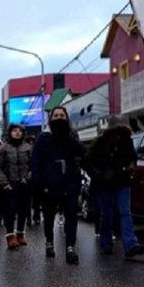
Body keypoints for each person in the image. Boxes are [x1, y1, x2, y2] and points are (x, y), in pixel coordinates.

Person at [84, 114, 144, 258]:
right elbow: (87, 161)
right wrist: (102, 173)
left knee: (125, 212)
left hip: (122, 181)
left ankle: (130, 244)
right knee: (107, 214)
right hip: (103, 184)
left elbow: (132, 158)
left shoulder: (126, 142)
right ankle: (106, 243)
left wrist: (130, 167)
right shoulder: (99, 142)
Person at [31, 106, 86, 265]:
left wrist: (68, 136)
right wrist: (38, 183)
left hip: (70, 183)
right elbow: (36, 162)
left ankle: (70, 247)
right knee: (49, 216)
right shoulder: (43, 138)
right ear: (50, 119)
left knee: (71, 216)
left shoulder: (72, 137)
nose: (59, 118)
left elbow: (82, 153)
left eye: (62, 115)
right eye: (56, 115)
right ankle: (49, 242)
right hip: (50, 184)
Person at [0, 124, 31, 250]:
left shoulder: (28, 148)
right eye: (14, 131)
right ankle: (10, 236)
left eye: (19, 131)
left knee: (23, 210)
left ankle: (20, 234)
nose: (17, 133)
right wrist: (4, 183)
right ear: (10, 132)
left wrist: (27, 178)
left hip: (24, 184)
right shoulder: (4, 148)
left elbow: (33, 165)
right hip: (10, 184)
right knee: (9, 210)